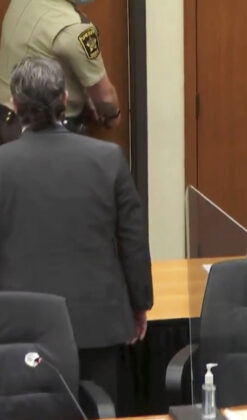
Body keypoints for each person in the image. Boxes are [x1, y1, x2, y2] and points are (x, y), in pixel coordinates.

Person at [0, 56, 151, 412]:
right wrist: (140, 302)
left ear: (16, 104)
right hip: (98, 325)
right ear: (65, 99)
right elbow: (132, 239)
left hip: (21, 330)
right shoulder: (109, 158)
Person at [0, 0, 121, 144]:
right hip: (45, 134)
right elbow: (105, 97)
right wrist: (113, 116)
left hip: (5, 118)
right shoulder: (74, 29)